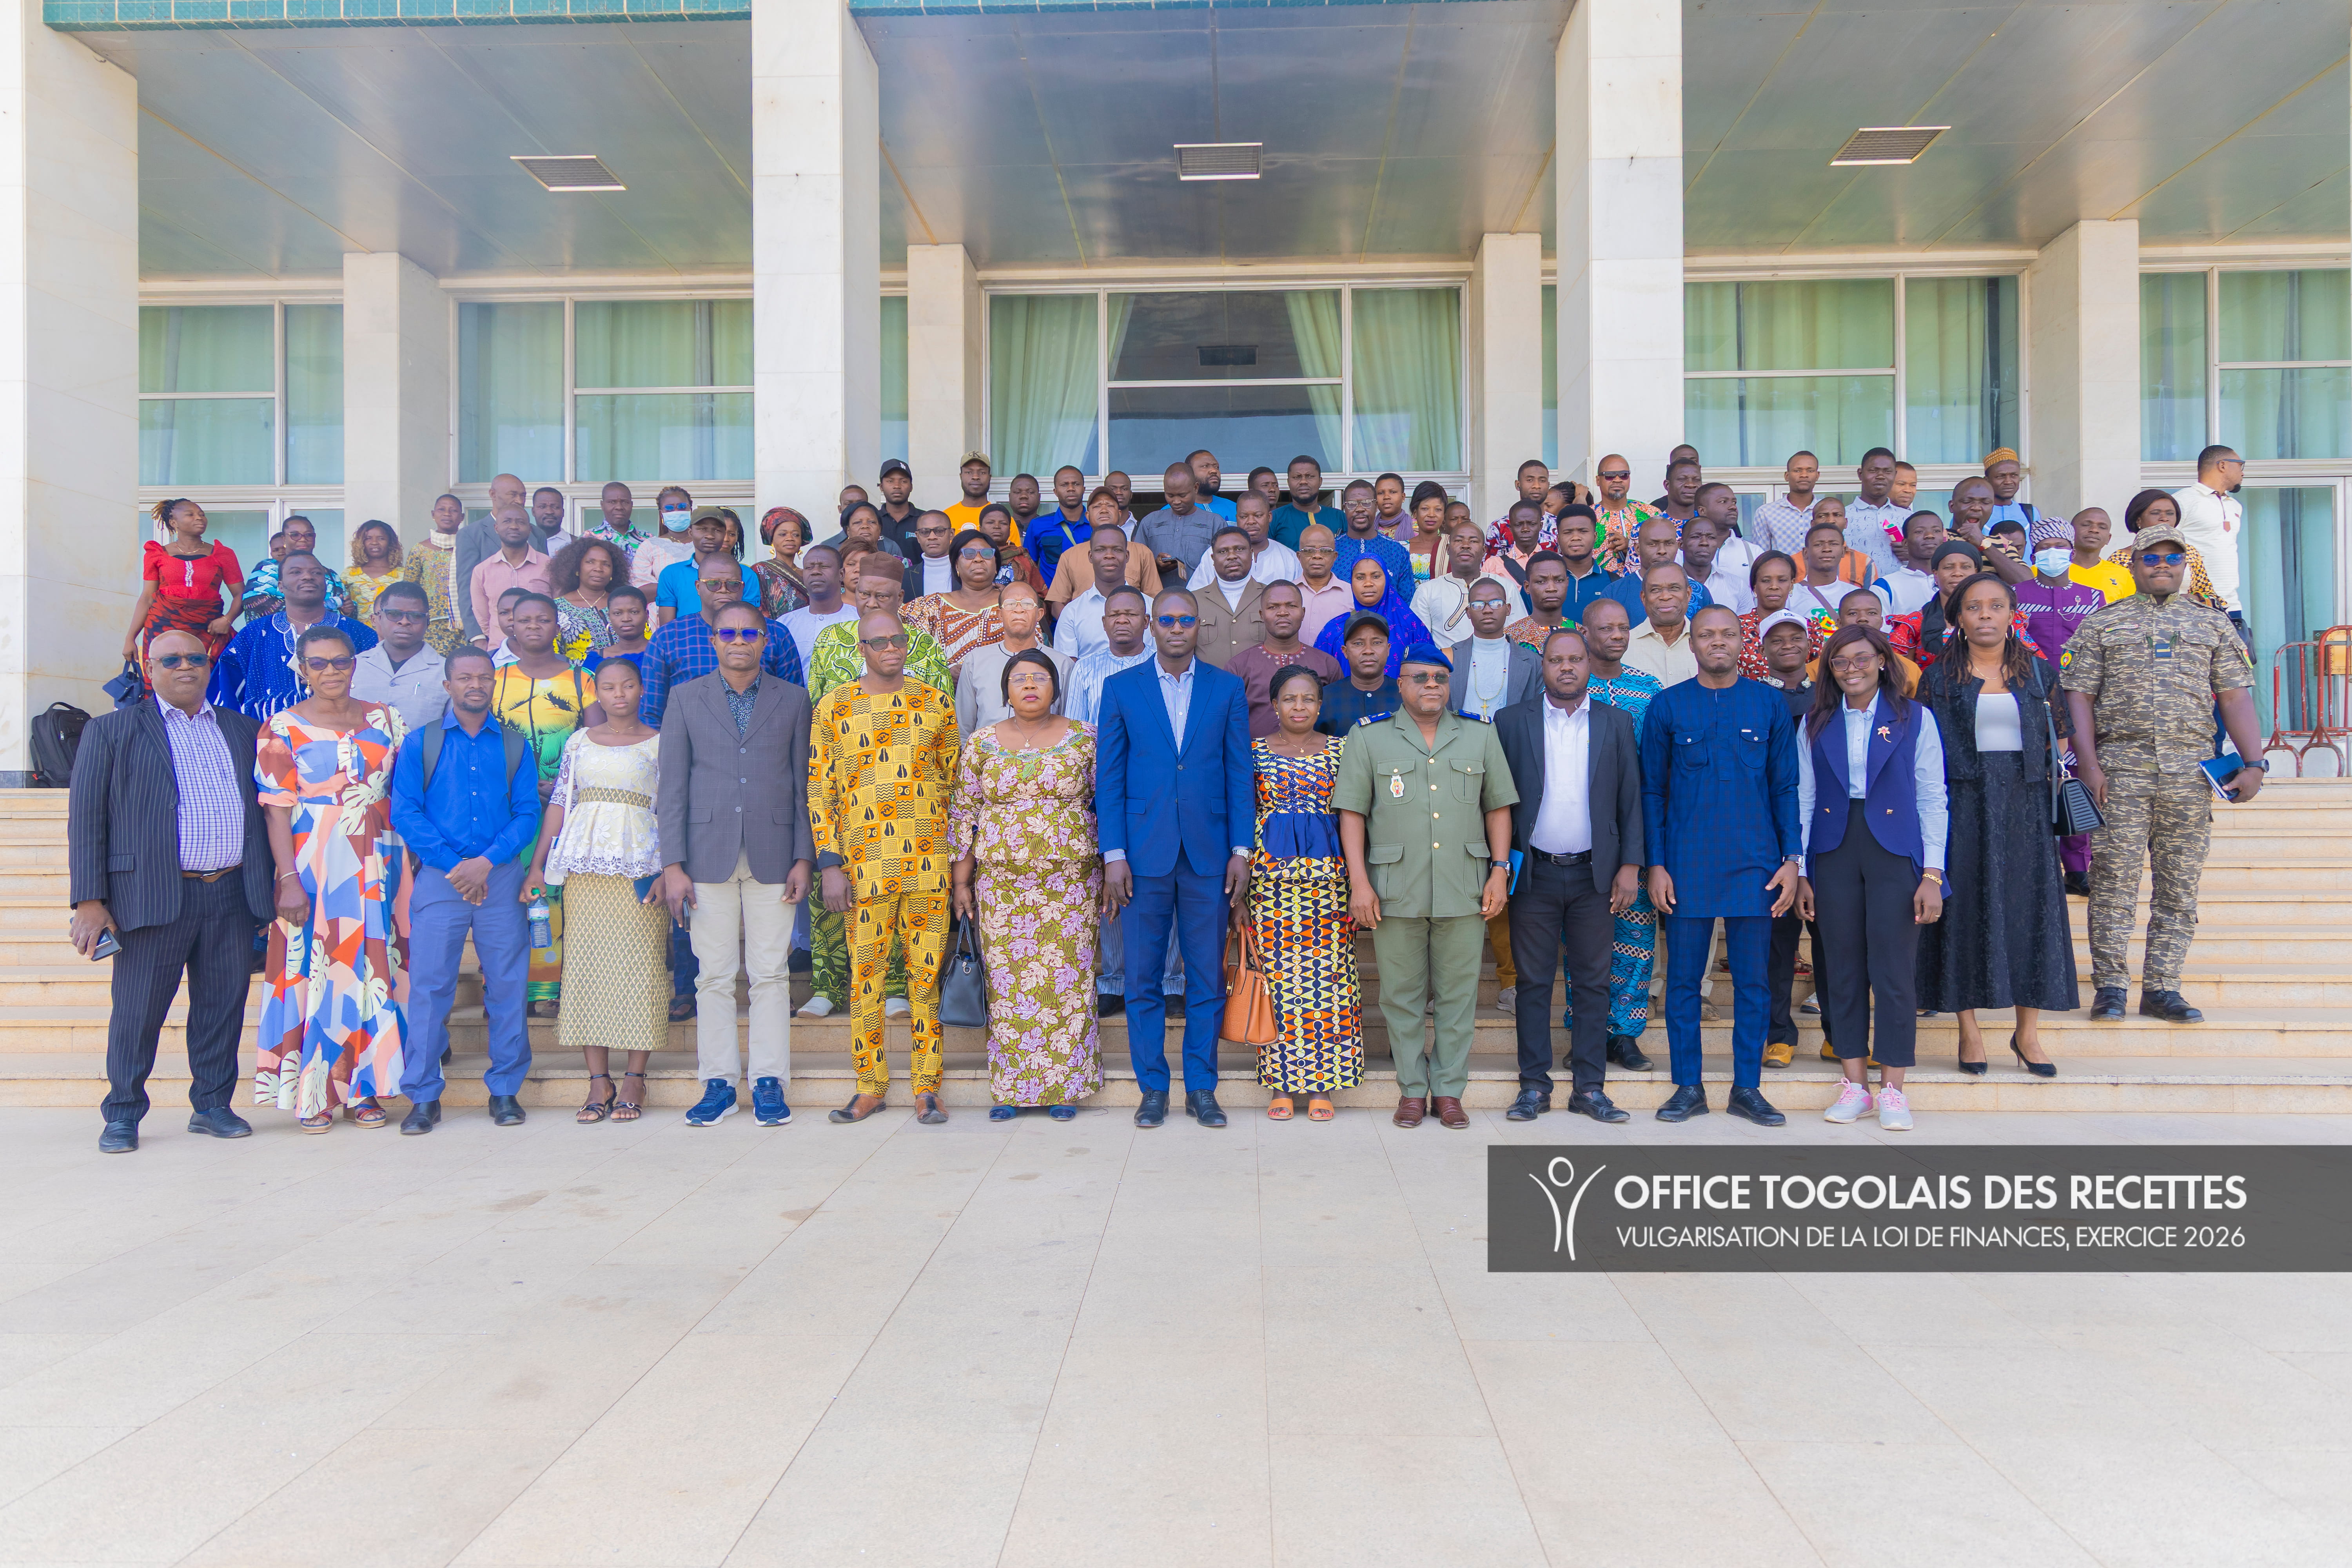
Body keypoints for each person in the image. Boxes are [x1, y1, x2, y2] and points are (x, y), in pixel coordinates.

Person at [70, 631, 274, 1153]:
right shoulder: (111, 731)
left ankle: (212, 1105)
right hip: (152, 895)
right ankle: (123, 1113)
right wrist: (90, 902)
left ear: (209, 665)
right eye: (172, 660)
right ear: (149, 668)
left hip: (231, 893)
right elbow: (87, 819)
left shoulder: (242, 729)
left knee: (221, 1008)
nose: (186, 666)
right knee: (137, 1012)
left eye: (196, 658)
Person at [2063, 524, 2266, 1025]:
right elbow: (2079, 696)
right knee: (2113, 882)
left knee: (2178, 886)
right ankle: (2111, 987)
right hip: (2120, 772)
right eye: (2150, 557)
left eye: (2173, 558)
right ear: (2133, 565)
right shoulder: (2102, 623)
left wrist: (2255, 762)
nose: (2161, 565)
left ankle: (2162, 987)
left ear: (2185, 566)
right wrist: (2089, 765)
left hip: (2189, 774)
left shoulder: (2213, 624)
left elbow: (2234, 696)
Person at [1334, 642, 1516, 1129]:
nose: (1431, 685)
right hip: (1395, 888)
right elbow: (1352, 813)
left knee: (1459, 996)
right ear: (1401, 685)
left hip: (1464, 885)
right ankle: (1413, 1090)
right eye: (1420, 677)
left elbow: (1498, 807)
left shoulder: (1480, 735)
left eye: (1439, 678)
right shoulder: (1369, 737)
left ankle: (1450, 1090)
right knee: (1401, 996)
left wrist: (1500, 870)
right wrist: (1359, 882)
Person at [649, 599, 815, 1127]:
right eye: (728, 633)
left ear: (765, 640)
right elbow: (672, 786)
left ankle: (769, 1081)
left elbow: (804, 784)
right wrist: (673, 864)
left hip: (775, 853)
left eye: (749, 633)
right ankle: (718, 1083)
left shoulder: (793, 699)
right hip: (704, 855)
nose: (739, 641)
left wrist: (804, 857)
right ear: (713, 640)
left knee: (770, 973)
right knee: (714, 976)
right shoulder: (685, 697)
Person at [1096, 588, 1253, 1130]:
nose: (1177, 627)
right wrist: (1114, 854)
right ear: (1151, 625)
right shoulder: (1122, 689)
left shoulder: (1226, 688)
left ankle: (1202, 1088)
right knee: (1142, 978)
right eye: (1167, 620)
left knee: (1206, 977)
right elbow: (1109, 777)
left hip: (1210, 855)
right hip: (1141, 857)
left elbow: (1239, 774)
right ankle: (1153, 1089)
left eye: (1186, 619)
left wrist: (1241, 849)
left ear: (1199, 625)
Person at [1642, 604, 1801, 1127]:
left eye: (1727, 634)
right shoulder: (1667, 706)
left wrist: (1792, 860)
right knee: (1683, 983)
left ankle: (1747, 1088)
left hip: (1757, 866)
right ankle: (1687, 1086)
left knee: (1754, 984)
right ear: (1692, 644)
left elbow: (1785, 787)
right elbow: (1652, 792)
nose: (1717, 642)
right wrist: (1656, 864)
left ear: (1741, 642)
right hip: (1686, 865)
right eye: (1707, 634)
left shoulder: (1769, 703)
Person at [1915, 573, 2079, 1069]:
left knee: (2032, 912)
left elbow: (2060, 739)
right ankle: (1969, 1033)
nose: (1985, 615)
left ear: (2012, 613)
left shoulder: (2040, 673)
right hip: (1961, 805)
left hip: (2026, 807)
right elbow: (1924, 749)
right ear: (1958, 618)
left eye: (1995, 606)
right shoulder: (1937, 678)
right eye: (1973, 607)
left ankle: (2027, 1035)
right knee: (1962, 913)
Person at [249, 624, 408, 1133]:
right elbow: (276, 811)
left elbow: (404, 791)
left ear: (354, 664)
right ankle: (315, 1091)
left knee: (373, 972)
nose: (331, 671)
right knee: (320, 972)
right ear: (303, 669)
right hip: (316, 864)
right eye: (318, 663)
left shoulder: (386, 719)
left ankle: (366, 1089)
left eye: (340, 661)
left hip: (382, 862)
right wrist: (287, 879)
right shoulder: (281, 727)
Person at [1795, 626, 1948, 1131]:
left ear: (1883, 660)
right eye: (1840, 662)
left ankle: (1894, 1091)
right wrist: (1801, 869)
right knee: (1842, 969)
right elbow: (1805, 798)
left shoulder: (1914, 718)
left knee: (1894, 971)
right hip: (1834, 849)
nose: (1851, 669)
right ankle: (1855, 1086)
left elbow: (1932, 795)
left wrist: (1932, 872)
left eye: (1862, 659)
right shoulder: (1816, 722)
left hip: (1895, 849)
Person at [813, 610, 962, 1124]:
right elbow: (821, 789)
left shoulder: (936, 703)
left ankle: (928, 1087)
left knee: (925, 979)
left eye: (898, 639)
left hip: (927, 862)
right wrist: (830, 862)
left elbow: (955, 784)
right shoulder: (834, 706)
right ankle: (870, 1085)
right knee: (866, 980)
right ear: (862, 649)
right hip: (862, 868)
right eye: (879, 642)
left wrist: (958, 863)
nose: (891, 648)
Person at [1496, 626, 1644, 1123]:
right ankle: (1534, 1086)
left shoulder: (1615, 721)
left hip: (1595, 876)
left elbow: (1631, 798)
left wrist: (1630, 866)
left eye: (1575, 659)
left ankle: (1589, 1087)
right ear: (1542, 666)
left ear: (1588, 664)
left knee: (1594, 983)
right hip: (1533, 875)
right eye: (1556, 660)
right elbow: (1495, 800)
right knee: (1534, 983)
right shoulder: (1511, 721)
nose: (1566, 668)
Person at [390, 645, 541, 1134]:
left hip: (500, 878)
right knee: (430, 986)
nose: (475, 684)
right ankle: (423, 1095)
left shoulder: (514, 745)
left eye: (484, 677)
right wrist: (456, 865)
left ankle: (505, 1090)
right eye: (465, 677)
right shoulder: (422, 743)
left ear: (494, 683)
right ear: (448, 684)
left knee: (508, 984)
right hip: (441, 878)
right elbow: (405, 811)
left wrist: (486, 862)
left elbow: (528, 813)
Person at [948, 649, 1103, 1120]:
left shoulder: (1086, 738)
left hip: (1070, 883)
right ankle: (1012, 1089)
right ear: (1006, 691)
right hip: (1002, 886)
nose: (1030, 685)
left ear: (1056, 687)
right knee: (1008, 983)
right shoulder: (982, 743)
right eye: (1020, 679)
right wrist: (961, 881)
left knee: (1068, 980)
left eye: (1040, 677)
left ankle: (1065, 1087)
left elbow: (1106, 802)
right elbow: (964, 812)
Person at [525, 658, 668, 1124]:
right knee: (586, 969)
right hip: (585, 869)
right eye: (608, 687)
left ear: (642, 689)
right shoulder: (579, 741)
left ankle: (634, 1078)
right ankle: (598, 1080)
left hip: (641, 868)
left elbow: (673, 807)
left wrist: (670, 869)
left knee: (641, 969)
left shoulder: (661, 742)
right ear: (597, 693)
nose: (619, 694)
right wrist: (537, 865)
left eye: (627, 685)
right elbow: (560, 802)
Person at [1244, 665, 1365, 1121]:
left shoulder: (1343, 749)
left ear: (1320, 705)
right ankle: (1280, 1083)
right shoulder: (1253, 752)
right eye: (1290, 699)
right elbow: (1244, 814)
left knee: (1329, 983)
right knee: (1278, 984)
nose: (1299, 706)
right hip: (1269, 887)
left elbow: (1354, 813)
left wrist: (1360, 879)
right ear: (1274, 705)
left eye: (1309, 698)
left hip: (1330, 886)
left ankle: (1323, 1086)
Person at [493, 593, 606, 1018]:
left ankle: (551, 989)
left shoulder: (581, 680)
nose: (534, 626)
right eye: (524, 620)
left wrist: (562, 786)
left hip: (565, 808)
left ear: (558, 626)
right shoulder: (496, 679)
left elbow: (597, 742)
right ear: (511, 626)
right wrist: (520, 786)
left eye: (543, 619)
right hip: (506, 808)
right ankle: (504, 990)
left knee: (555, 895)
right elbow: (480, 741)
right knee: (507, 896)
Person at [1562, 597, 1664, 1071]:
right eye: (1606, 629)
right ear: (1585, 632)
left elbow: (1657, 769)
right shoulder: (1567, 689)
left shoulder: (1649, 689)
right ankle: (1585, 1032)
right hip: (1576, 836)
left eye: (1623, 627)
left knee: (1636, 937)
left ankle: (1624, 1035)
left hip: (1633, 832)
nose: (1617, 636)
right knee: (1581, 942)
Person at [1751, 610, 1821, 1066]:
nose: (1788, 645)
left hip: (1827, 833)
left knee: (1834, 941)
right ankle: (1779, 1032)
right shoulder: (1755, 698)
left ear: (1810, 644)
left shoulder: (1830, 696)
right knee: (1777, 945)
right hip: (1773, 834)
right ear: (1762, 649)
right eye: (1777, 639)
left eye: (1796, 637)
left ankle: (1840, 1033)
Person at [208, 553, 380, 721]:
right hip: (264, 735)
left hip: (345, 734)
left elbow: (378, 686)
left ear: (326, 584)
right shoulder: (254, 634)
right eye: (296, 572)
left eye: (316, 573)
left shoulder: (358, 633)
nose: (308, 577)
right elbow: (224, 693)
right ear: (281, 586)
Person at [639, 566, 808, 727]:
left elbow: (793, 703)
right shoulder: (668, 636)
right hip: (689, 740)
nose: (723, 590)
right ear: (698, 587)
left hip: (764, 739)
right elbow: (652, 713)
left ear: (742, 588)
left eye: (733, 584)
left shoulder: (775, 633)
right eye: (713, 584)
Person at [126, 498, 243, 673]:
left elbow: (241, 594)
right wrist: (130, 638)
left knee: (206, 680)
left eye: (202, 514)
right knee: (165, 678)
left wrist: (228, 619)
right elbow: (147, 598)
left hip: (208, 630)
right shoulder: (156, 554)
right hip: (161, 629)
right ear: (174, 523)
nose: (199, 518)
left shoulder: (223, 554)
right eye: (191, 515)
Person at [1229, 580, 1341, 738]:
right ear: (1262, 615)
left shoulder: (1327, 664)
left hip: (1318, 753)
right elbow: (1230, 724)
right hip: (1253, 753)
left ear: (1303, 613)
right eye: (1273, 607)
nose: (1283, 612)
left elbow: (1337, 719)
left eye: (1291, 606)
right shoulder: (1238, 666)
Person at [958, 580, 1069, 733]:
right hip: (987, 748)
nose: (1019, 610)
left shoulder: (1062, 664)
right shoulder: (976, 660)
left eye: (1027, 604)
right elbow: (964, 729)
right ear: (1000, 614)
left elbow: (1068, 724)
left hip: (1046, 748)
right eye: (1011, 604)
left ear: (1039, 614)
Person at [350, 579, 450, 739]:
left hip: (423, 755)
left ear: (428, 622)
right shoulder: (354, 666)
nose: (404, 622)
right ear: (379, 618)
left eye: (415, 616)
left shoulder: (446, 672)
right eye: (394, 614)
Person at [1049, 521, 1158, 663]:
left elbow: (1161, 660)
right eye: (1101, 550)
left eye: (1117, 550)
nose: (1109, 555)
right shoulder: (1072, 613)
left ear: (1127, 556)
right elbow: (1068, 667)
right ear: (1090, 556)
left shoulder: (1152, 607)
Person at [905, 528, 1006, 674]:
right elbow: (910, 656)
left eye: (987, 554)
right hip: (943, 688)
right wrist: (944, 672)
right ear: (956, 565)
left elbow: (1032, 653)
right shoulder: (930, 607)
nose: (978, 559)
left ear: (996, 565)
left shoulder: (1014, 605)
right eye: (969, 554)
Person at [1314, 555, 1430, 677]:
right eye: (1360, 577)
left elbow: (1429, 672)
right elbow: (1319, 678)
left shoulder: (1411, 626)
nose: (1368, 583)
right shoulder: (1334, 630)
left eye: (1376, 577)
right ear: (1351, 582)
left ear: (1387, 580)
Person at [1449, 578, 1540, 721]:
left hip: (1510, 735)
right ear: (1468, 612)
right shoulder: (1450, 657)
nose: (1487, 610)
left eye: (1496, 603)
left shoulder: (1532, 662)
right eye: (1478, 605)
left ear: (1508, 609)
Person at [468, 508, 553, 652]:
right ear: (496, 528)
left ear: (530, 529)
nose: (514, 526)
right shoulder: (482, 571)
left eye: (521, 522)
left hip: (541, 652)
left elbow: (559, 609)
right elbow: (483, 618)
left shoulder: (550, 566)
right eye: (507, 522)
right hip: (499, 651)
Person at [1601, 517, 1713, 626]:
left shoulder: (1699, 592)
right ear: (1637, 549)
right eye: (1653, 544)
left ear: (1678, 546)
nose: (1662, 551)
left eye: (1669, 544)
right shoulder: (1615, 593)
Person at [1186, 491, 1303, 591]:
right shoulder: (1215, 554)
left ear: (1269, 517)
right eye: (1244, 517)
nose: (1251, 522)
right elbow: (1196, 596)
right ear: (1237, 518)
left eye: (1258, 516)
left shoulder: (1289, 558)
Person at [240, 514, 348, 621]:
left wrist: (348, 610)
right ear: (284, 539)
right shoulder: (268, 569)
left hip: (329, 632)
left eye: (309, 535)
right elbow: (255, 602)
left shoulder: (332, 576)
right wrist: (320, 609)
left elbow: (345, 610)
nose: (303, 539)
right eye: (295, 535)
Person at [398, 494, 469, 656]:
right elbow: (409, 590)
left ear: (462, 517)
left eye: (453, 511)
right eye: (442, 510)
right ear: (433, 514)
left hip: (465, 626)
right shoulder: (420, 550)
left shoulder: (470, 547)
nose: (447, 514)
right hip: (430, 627)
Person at [1411, 516, 1496, 649]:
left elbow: (1516, 635)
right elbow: (1419, 643)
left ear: (1484, 550)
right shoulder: (1427, 591)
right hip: (1445, 662)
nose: (1466, 545)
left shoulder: (1504, 587)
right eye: (1458, 541)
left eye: (1473, 541)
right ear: (1448, 549)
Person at [1192, 526, 1270, 668]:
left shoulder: (1271, 597)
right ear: (1213, 559)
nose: (1232, 556)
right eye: (1223, 552)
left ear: (1251, 554)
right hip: (1211, 682)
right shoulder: (1193, 601)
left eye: (1239, 549)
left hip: (1261, 682)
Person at [1317, 612, 1400, 735]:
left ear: (1388, 649)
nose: (1368, 651)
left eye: (1377, 643)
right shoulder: (1324, 699)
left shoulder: (1406, 696)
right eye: (1358, 644)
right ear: (1345, 652)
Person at [550, 536, 628, 662]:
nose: (598, 568)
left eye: (606, 564)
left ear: (613, 573)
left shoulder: (626, 604)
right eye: (590, 562)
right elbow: (553, 656)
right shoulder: (558, 608)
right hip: (575, 675)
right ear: (577, 568)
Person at [1137, 460, 1220, 577]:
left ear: (1196, 488)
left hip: (1201, 590)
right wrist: (1155, 565)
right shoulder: (1150, 523)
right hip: (1158, 590)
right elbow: (1136, 565)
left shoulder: (1215, 523)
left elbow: (1223, 566)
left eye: (1182, 495)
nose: (1176, 501)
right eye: (1170, 495)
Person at [1622, 564, 1701, 685]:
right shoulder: (1624, 646)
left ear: (1688, 594)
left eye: (1674, 588)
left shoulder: (1707, 645)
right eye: (1656, 590)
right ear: (1644, 598)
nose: (1665, 597)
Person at [1737, 551, 1809, 678]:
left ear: (1791, 585)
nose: (1774, 587)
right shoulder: (1736, 628)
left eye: (1782, 580)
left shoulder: (1810, 627)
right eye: (1766, 581)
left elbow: (1816, 673)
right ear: (1754, 587)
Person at [1332, 479, 1415, 586]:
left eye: (1367, 503)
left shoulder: (1397, 550)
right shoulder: (1332, 550)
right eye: (1352, 504)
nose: (1360, 509)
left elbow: (1407, 595)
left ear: (1376, 506)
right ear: (1345, 508)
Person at [1842, 448, 1905, 577]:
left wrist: (1913, 556)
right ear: (1860, 474)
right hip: (1855, 588)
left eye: (1887, 471)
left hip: (1899, 589)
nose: (1881, 476)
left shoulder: (1908, 518)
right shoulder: (1842, 517)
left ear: (1895, 475)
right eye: (1873, 471)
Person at [1024, 465, 1091, 583]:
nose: (1071, 489)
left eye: (1076, 484)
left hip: (1090, 594)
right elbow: (1028, 569)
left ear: (1084, 489)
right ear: (1056, 492)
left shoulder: (1097, 525)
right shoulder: (1038, 525)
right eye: (1064, 485)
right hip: (1051, 595)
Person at [1752, 451, 1823, 556]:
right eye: (1797, 471)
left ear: (1817, 476)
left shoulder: (1827, 511)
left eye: (1810, 471)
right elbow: (1761, 556)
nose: (1804, 475)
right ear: (1787, 476)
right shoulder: (1766, 513)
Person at [1294, 524, 1354, 645]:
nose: (1317, 556)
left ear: (1335, 557)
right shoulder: (1288, 593)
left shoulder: (1351, 595)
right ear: (1299, 557)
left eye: (1325, 551)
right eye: (1309, 551)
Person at [1681, 513, 1751, 616]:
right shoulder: (1668, 585)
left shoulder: (1738, 586)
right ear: (1681, 544)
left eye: (1711, 538)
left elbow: (1747, 625)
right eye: (1696, 537)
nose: (1705, 543)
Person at [1875, 512, 1946, 614]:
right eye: (1919, 532)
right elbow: (1880, 624)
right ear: (1906, 543)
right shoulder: (1886, 586)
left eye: (1936, 531)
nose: (1930, 536)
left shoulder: (1955, 580)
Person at [1270, 454, 1346, 549]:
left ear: (1320, 481)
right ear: (1288, 482)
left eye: (1310, 476)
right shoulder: (1274, 519)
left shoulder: (1339, 517)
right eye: (1297, 477)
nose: (1303, 482)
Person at [751, 507, 811, 618]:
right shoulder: (760, 570)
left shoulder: (809, 574)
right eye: (783, 534)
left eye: (796, 535)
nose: (790, 538)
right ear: (772, 540)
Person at [344, 520, 404, 622]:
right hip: (358, 630)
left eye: (381, 538)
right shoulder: (349, 574)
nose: (375, 542)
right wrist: (346, 610)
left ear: (391, 543)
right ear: (361, 543)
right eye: (368, 538)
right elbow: (343, 608)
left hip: (393, 629)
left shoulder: (404, 575)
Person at [2068, 507, 2132, 601]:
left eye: (2102, 527)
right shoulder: (2052, 570)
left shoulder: (2122, 575)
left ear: (2108, 539)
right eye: (2086, 525)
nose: (2094, 530)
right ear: (2070, 532)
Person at [589, 586, 653, 677]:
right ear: (609, 617)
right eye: (618, 613)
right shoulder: (595, 659)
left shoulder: (661, 653)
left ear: (647, 615)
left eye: (634, 612)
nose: (626, 619)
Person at [901, 508, 956, 601]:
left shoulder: (965, 573)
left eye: (939, 531)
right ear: (918, 537)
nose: (932, 537)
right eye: (925, 532)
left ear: (951, 534)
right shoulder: (905, 577)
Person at [583, 481, 644, 564]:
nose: (619, 507)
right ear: (602, 505)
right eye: (612, 502)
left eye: (625, 502)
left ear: (632, 505)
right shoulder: (588, 538)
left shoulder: (648, 539)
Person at [944, 450, 994, 536]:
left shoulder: (1003, 520)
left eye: (982, 472)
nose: (976, 477)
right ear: (961, 476)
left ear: (990, 477)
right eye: (969, 472)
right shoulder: (945, 518)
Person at [873, 458, 919, 552]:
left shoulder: (925, 520)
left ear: (911, 487)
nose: (897, 486)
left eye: (903, 481)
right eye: (890, 481)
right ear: (881, 487)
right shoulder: (873, 521)